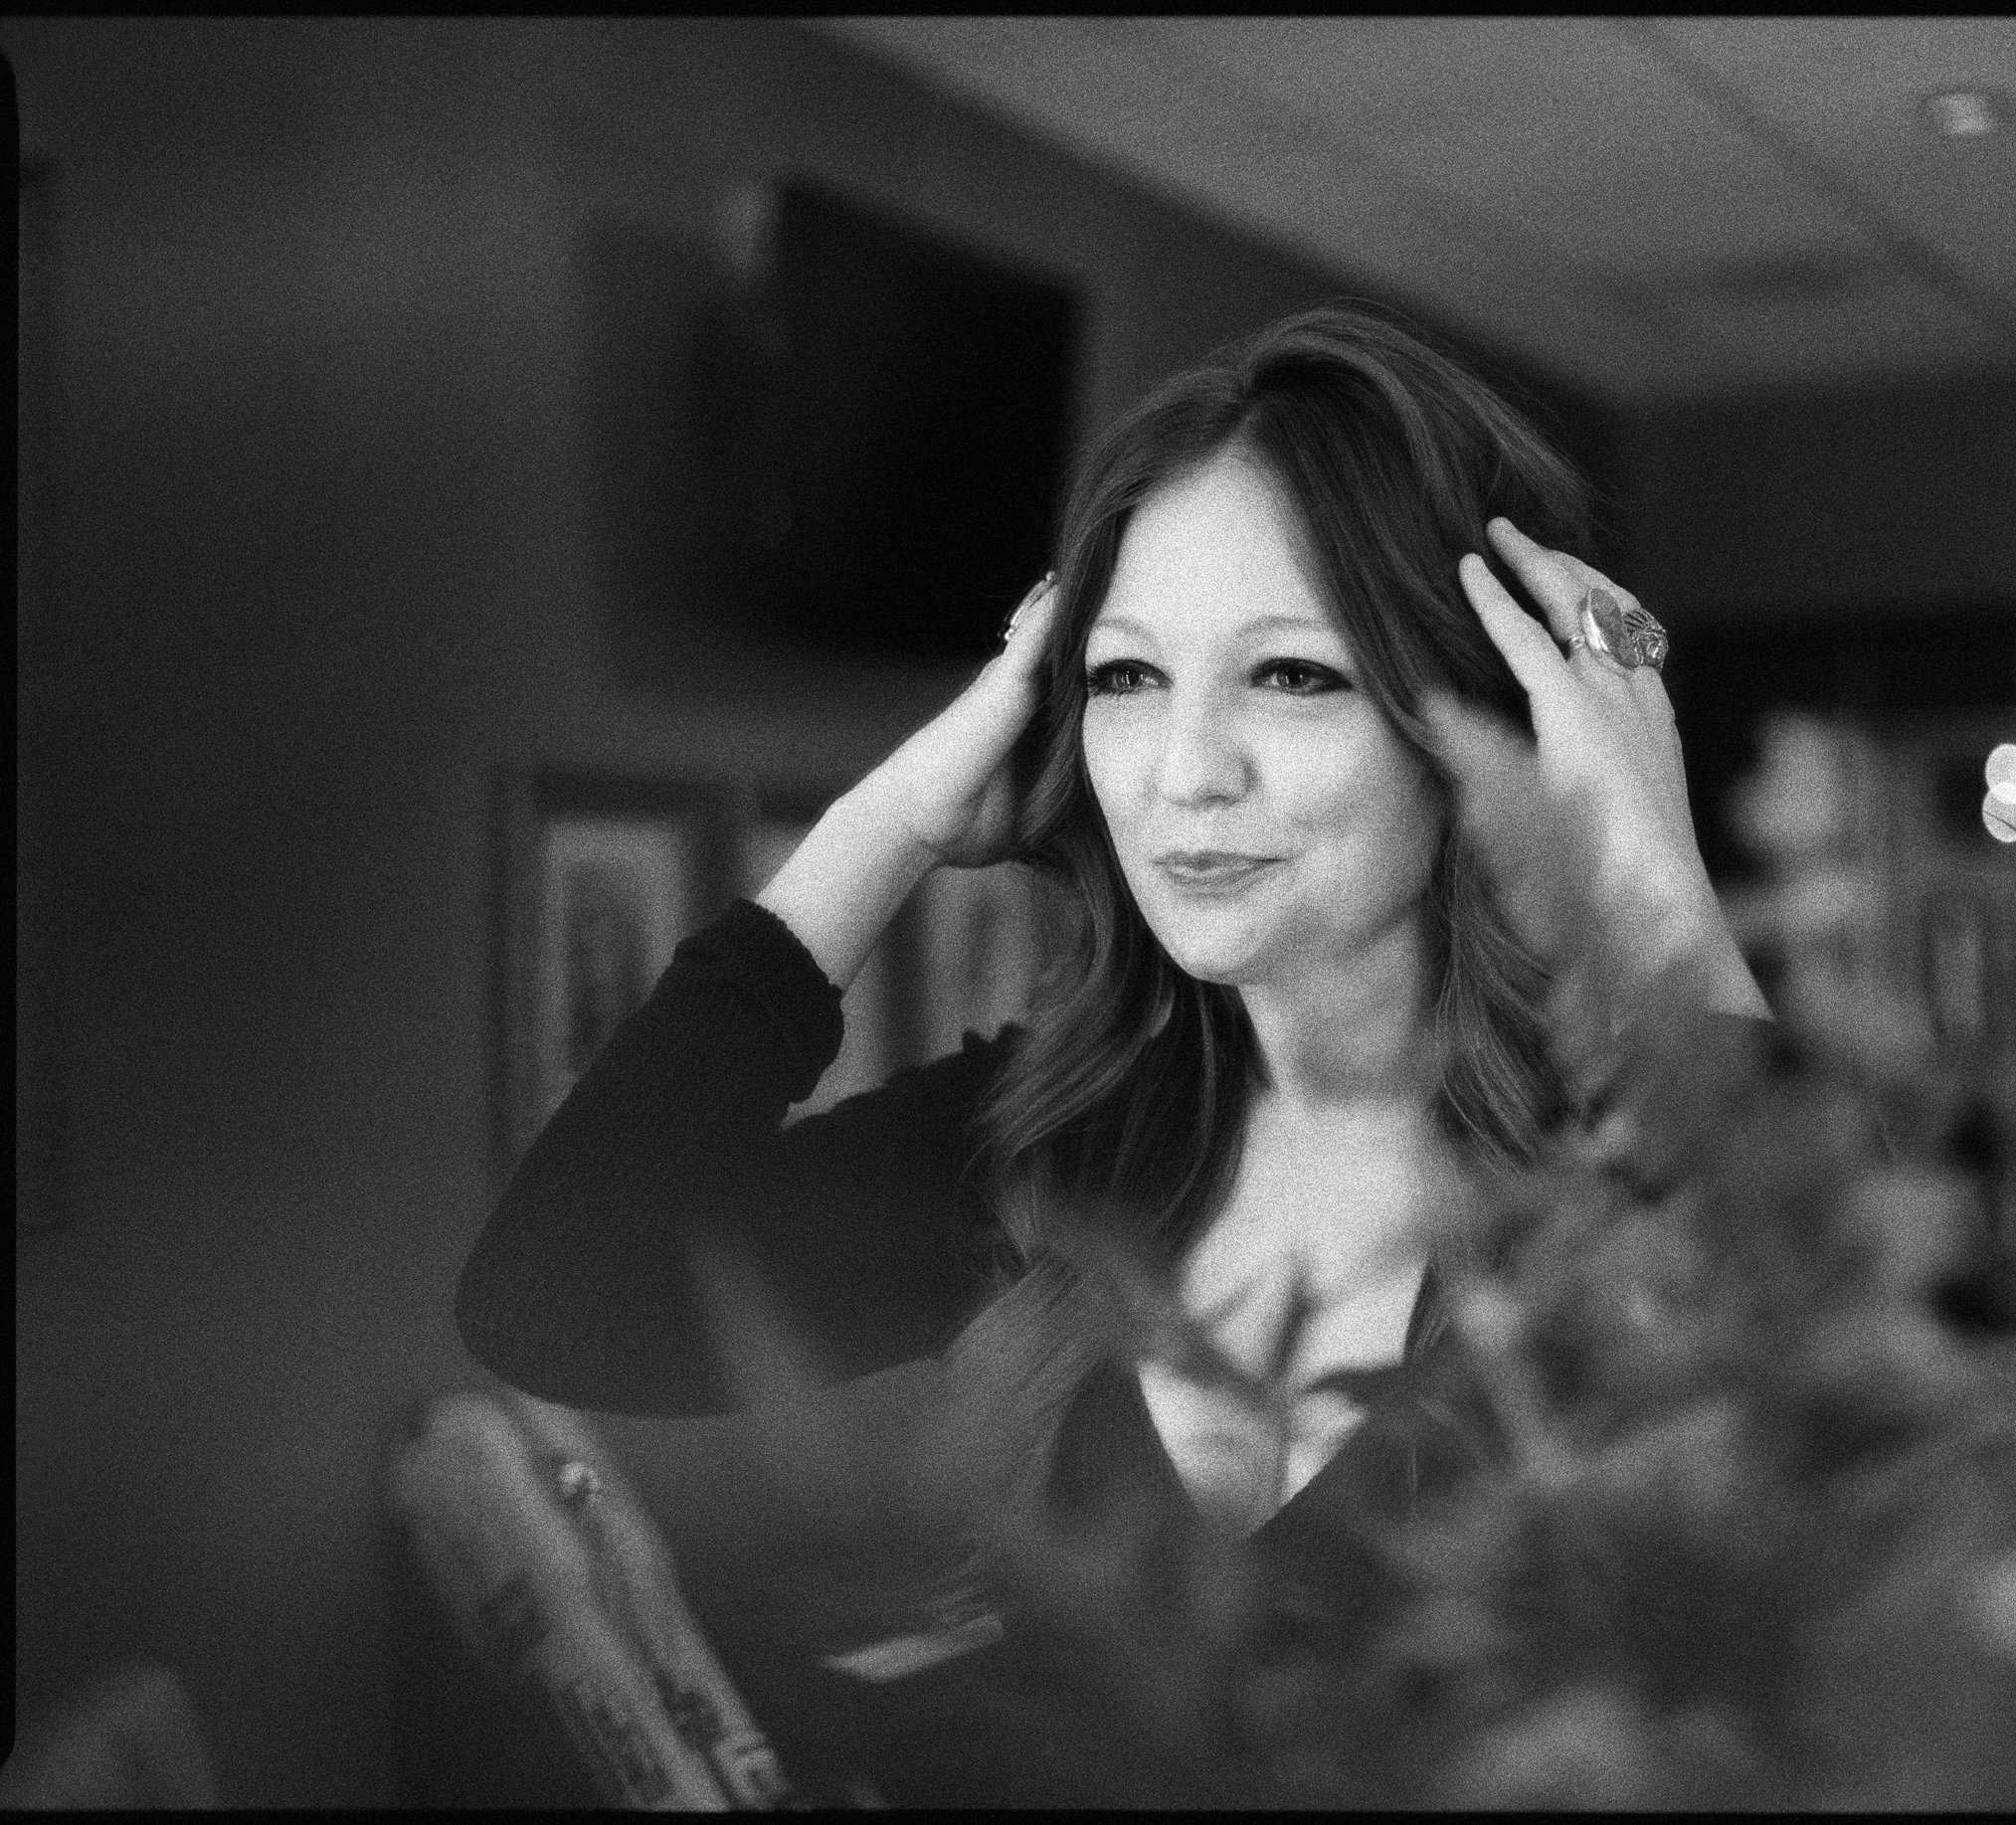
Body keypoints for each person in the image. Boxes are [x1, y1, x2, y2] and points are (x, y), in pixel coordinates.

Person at [455, 301, 1768, 1802]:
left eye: (1295, 675)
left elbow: (1804, 1511)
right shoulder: (1045, 1143)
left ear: (1474, 719)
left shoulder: (1606, 1179)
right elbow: (553, 1298)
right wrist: (884, 826)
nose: (1185, 775)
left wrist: (1648, 877)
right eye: (1128, 680)